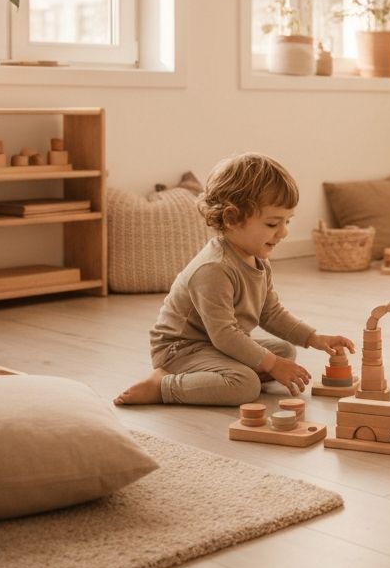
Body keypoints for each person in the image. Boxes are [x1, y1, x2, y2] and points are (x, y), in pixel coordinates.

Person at [115, 153, 353, 407]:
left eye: (287, 222)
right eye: (272, 224)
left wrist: (314, 338)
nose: (284, 232)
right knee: (245, 385)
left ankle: (219, 376)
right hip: (181, 349)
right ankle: (162, 385)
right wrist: (272, 364)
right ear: (231, 219)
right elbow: (224, 335)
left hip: (214, 344)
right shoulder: (214, 269)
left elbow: (271, 313)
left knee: (285, 351)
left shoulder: (257, 259)